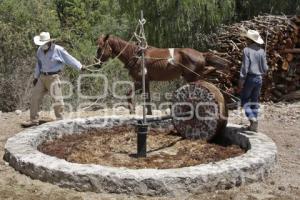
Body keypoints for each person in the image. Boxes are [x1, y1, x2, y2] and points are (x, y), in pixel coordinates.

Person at [22, 32, 85, 127]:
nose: (42, 45)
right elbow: (38, 65)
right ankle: (33, 120)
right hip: (42, 77)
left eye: (44, 43)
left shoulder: (58, 50)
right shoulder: (39, 50)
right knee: (35, 97)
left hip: (53, 78)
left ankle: (60, 121)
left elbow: (69, 59)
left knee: (57, 100)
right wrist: (36, 77)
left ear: (49, 42)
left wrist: (80, 66)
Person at [238, 29, 268, 132]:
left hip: (250, 78)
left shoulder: (246, 50)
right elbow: (265, 68)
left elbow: (245, 68)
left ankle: (252, 117)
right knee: (255, 101)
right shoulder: (262, 51)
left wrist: (241, 82)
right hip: (259, 78)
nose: (246, 40)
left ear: (250, 40)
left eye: (247, 39)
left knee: (245, 100)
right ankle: (253, 126)